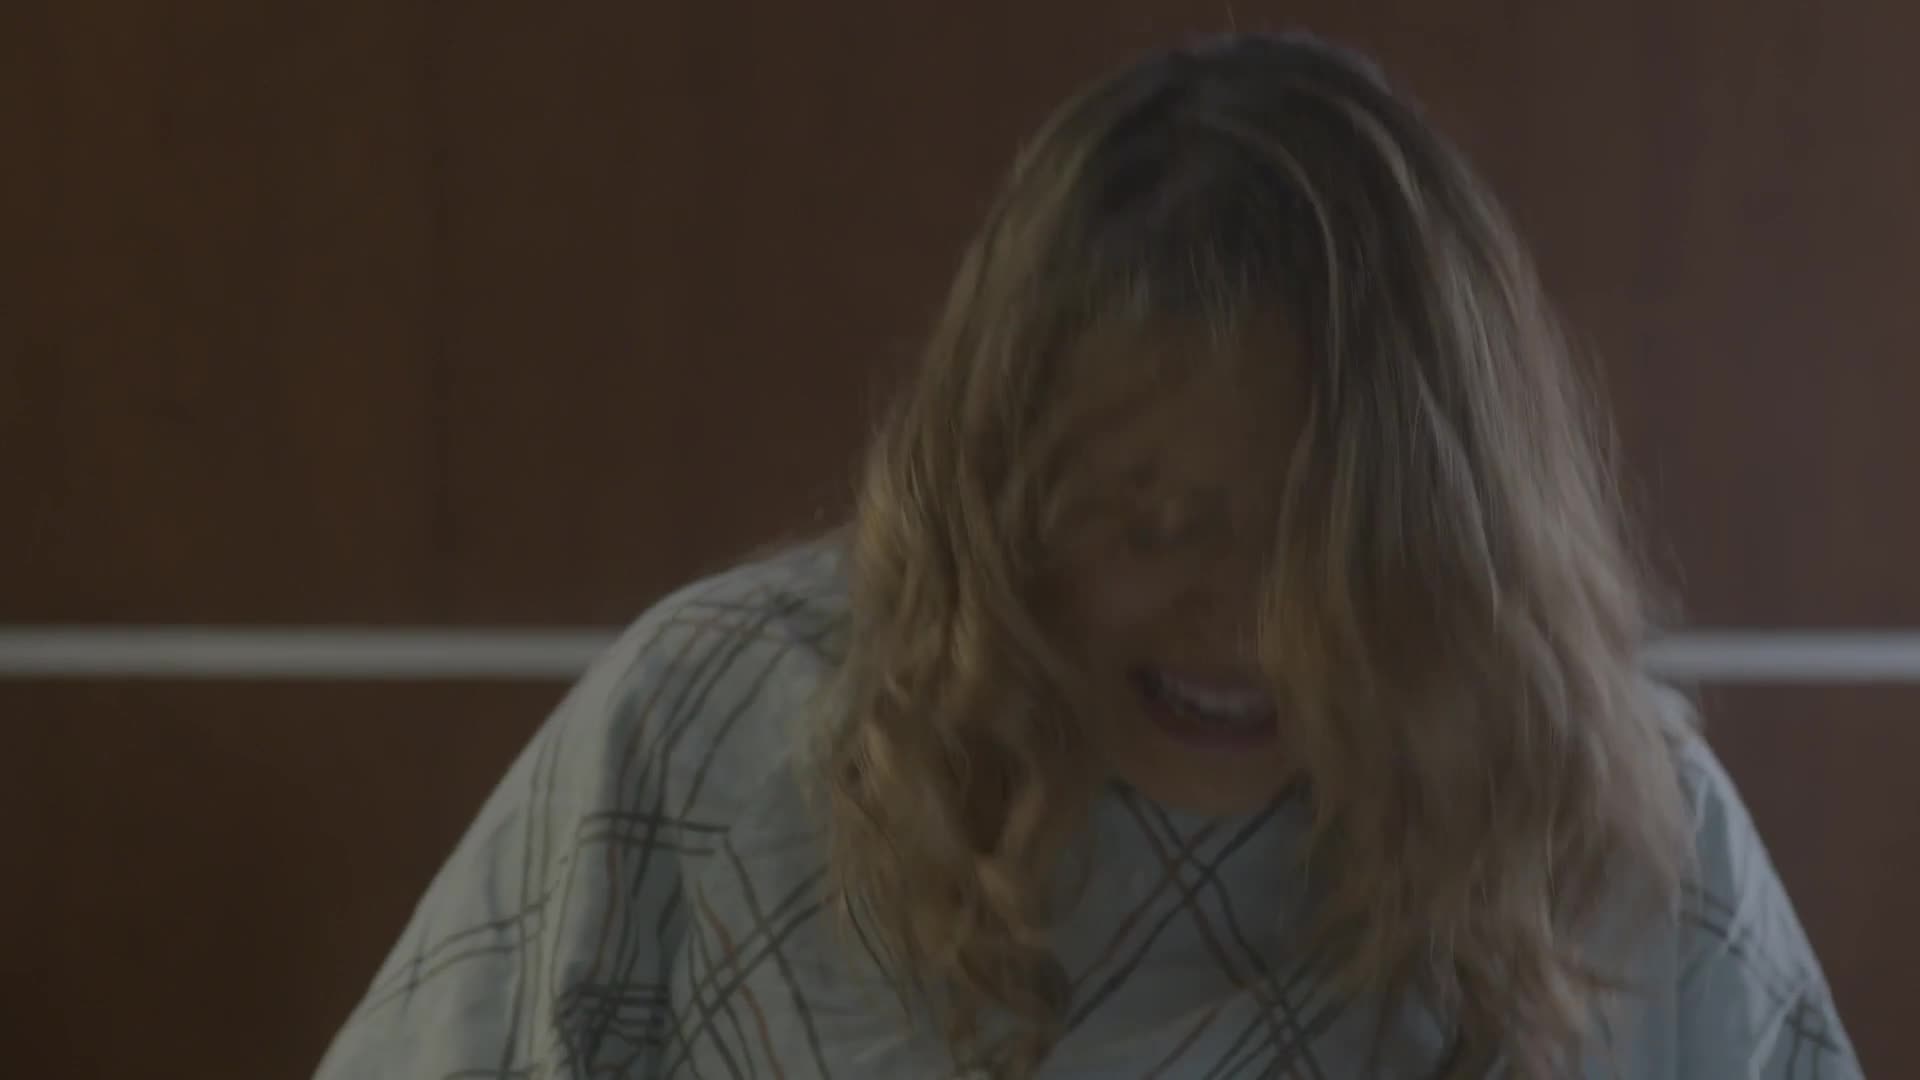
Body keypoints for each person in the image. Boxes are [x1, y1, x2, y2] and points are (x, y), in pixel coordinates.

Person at [315, 33, 1861, 1080]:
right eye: (1155, 525)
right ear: (992, 498)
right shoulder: (712, 732)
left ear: (1463, 553)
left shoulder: (1616, 831)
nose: (1250, 628)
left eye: (1335, 552)